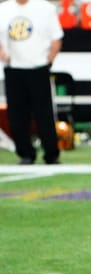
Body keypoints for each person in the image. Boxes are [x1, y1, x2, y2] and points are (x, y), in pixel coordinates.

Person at [0, 0, 63, 165]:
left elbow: (56, 38)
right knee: (17, 114)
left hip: (38, 66)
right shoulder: (3, 9)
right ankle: (25, 153)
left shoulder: (45, 8)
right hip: (13, 67)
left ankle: (51, 153)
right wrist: (2, 54)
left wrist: (49, 60)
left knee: (44, 113)